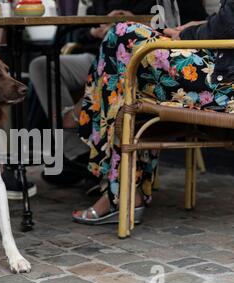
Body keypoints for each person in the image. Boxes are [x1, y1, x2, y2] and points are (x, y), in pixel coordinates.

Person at [72, 0, 234, 224]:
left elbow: (226, 26)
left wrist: (187, 33)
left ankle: (118, 190)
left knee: (122, 34)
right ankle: (125, 190)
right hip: (221, 74)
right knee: (130, 63)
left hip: (224, 85)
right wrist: (201, 25)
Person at [29, 0, 157, 187]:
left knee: (115, 71)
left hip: (141, 57)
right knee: (42, 66)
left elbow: (182, 24)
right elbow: (78, 32)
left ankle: (94, 152)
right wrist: (95, 32)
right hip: (96, 54)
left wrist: (136, 25)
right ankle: (79, 153)